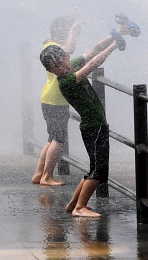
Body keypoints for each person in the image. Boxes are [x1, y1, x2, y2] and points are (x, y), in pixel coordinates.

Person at [39, 22, 136, 218]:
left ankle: (73, 204)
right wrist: (115, 45)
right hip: (94, 127)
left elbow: (91, 52)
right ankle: (79, 208)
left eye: (65, 56)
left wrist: (115, 35)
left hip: (94, 126)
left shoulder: (69, 68)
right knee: (99, 171)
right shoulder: (66, 81)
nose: (68, 58)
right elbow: (93, 64)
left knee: (94, 168)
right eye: (62, 59)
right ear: (55, 68)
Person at [32, 16, 84, 186]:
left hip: (51, 98)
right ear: (59, 33)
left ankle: (39, 173)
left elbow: (70, 48)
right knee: (59, 139)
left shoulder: (49, 45)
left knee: (52, 138)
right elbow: (67, 49)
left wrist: (71, 30)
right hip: (55, 99)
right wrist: (71, 30)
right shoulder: (52, 48)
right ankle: (47, 176)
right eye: (66, 32)